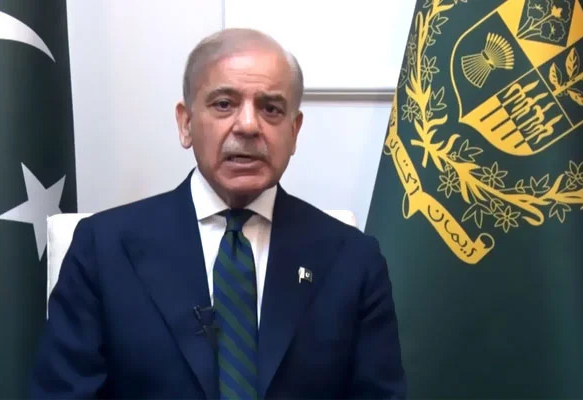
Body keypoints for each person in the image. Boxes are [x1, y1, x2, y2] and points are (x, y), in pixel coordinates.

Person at [29, 28, 406, 399]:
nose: (248, 126)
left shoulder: (353, 261)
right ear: (186, 123)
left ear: (294, 131)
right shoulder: (103, 250)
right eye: (224, 104)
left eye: (271, 109)